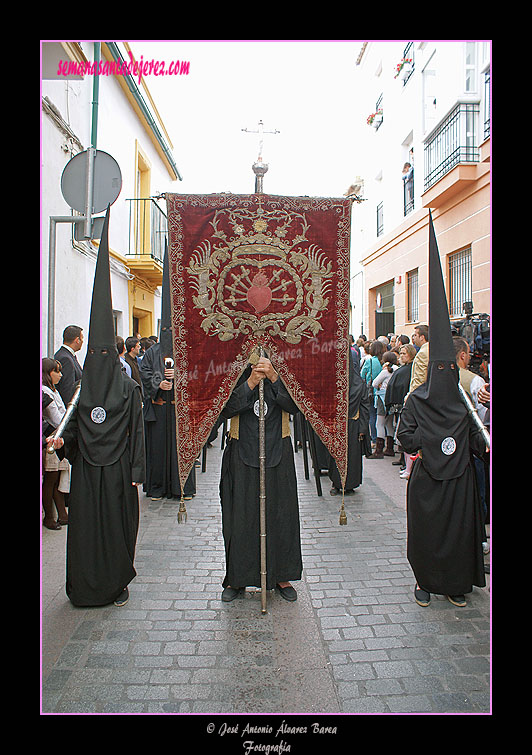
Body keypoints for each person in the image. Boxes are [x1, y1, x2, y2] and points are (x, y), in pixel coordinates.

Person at [53, 207, 145, 608]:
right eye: (98, 353)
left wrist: (136, 474)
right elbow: (73, 430)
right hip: (90, 477)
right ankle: (85, 587)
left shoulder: (127, 389)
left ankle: (114, 583)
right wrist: (63, 444)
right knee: (89, 532)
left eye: (108, 353)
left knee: (116, 530)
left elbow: (137, 431)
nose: (104, 359)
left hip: (117, 474)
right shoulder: (83, 392)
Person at [397, 213, 486, 609]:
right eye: (440, 368)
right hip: (429, 480)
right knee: (428, 533)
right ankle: (425, 582)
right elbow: (405, 436)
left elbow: (478, 441)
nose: (447, 374)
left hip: (460, 482)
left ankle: (455, 584)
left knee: (458, 533)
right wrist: (434, 443)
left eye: (453, 368)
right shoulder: (417, 400)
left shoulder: (466, 400)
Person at [219, 354, 302, 603]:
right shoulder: (232, 363)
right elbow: (225, 407)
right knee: (240, 516)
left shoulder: (286, 360)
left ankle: (281, 575)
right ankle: (237, 577)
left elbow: (296, 405)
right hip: (241, 450)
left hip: (278, 448)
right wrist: (252, 382)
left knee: (280, 514)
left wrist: (275, 377)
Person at [139, 245, 196, 501]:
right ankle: (157, 487)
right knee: (158, 450)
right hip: (161, 409)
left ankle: (182, 487)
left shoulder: (187, 351)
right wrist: (158, 383)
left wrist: (180, 382)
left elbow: (197, 375)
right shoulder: (153, 352)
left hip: (180, 410)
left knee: (181, 449)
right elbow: (144, 372)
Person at [329, 347, 371, 495]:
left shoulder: (357, 384)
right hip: (339, 425)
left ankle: (349, 484)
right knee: (337, 455)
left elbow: (365, 406)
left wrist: (362, 428)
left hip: (352, 424)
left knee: (351, 456)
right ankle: (337, 483)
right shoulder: (334, 383)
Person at [42, 357, 70, 529]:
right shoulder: (45, 392)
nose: (60, 375)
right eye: (56, 371)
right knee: (51, 479)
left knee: (58, 478)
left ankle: (62, 514)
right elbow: (56, 417)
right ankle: (49, 517)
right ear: (47, 373)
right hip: (52, 437)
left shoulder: (53, 390)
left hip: (59, 436)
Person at [384, 343, 417, 477]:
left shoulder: (411, 370)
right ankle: (404, 460)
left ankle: (407, 462)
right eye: (401, 353)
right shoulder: (402, 369)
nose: (402, 356)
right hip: (398, 406)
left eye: (404, 353)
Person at [368, 351, 399, 458]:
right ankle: (389, 448)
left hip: (382, 398)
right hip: (392, 398)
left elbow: (375, 383)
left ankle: (379, 450)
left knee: (379, 423)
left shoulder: (385, 371)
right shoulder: (397, 369)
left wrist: (380, 385)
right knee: (389, 423)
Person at [361, 340, 385, 445]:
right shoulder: (384, 362)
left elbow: (362, 375)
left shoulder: (370, 361)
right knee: (383, 418)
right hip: (382, 392)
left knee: (372, 415)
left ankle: (374, 439)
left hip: (371, 391)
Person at [54, 325, 83, 405]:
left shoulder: (68, 355)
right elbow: (67, 389)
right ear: (77, 340)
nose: (83, 341)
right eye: (82, 338)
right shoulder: (65, 358)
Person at [407, 324, 429, 397]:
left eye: (415, 335)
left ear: (422, 337)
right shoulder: (430, 349)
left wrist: (411, 395)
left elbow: (419, 378)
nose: (413, 337)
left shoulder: (423, 353)